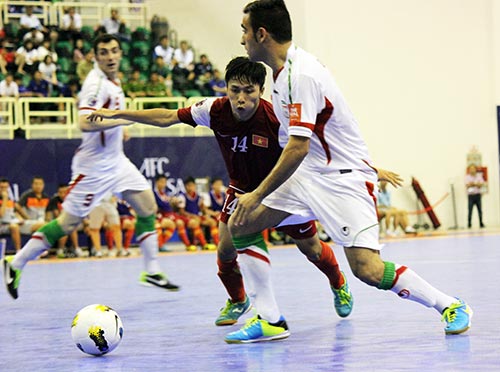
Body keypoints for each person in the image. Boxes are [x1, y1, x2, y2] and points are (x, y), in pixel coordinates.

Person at [225, 0, 471, 342]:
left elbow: (298, 147)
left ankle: (450, 304)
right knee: (241, 223)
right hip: (307, 176)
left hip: (342, 182)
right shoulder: (280, 76)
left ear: (261, 34)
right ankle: (270, 319)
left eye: (245, 31)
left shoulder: (303, 75)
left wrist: (257, 193)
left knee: (367, 270)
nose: (242, 39)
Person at [87, 56, 357, 331]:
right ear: (225, 89)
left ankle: (338, 282)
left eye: (248, 91)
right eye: (234, 90)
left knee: (311, 248)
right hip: (241, 190)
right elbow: (167, 116)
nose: (240, 98)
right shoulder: (214, 110)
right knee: (225, 248)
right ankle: (239, 300)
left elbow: (316, 150)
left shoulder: (277, 117)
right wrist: (117, 115)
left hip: (281, 190)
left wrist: (365, 169)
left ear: (261, 91)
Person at [2, 34, 179, 300]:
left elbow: (106, 117)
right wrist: (121, 120)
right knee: (67, 224)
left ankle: (151, 270)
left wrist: (118, 129)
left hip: (116, 161)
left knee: (148, 207)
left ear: (120, 54)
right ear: (95, 57)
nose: (110, 56)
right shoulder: (95, 84)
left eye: (114, 51)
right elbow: (85, 123)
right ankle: (16, 263)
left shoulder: (113, 81)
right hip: (93, 168)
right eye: (104, 52)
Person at [175, 177, 218, 249]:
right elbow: (181, 212)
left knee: (212, 222)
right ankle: (202, 244)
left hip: (197, 217)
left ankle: (217, 243)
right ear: (185, 187)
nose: (191, 188)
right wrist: (192, 216)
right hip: (186, 217)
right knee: (194, 223)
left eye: (192, 186)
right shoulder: (182, 197)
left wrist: (204, 210)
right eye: (189, 186)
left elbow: (202, 210)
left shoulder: (199, 197)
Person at [45, 183, 85, 258]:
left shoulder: (72, 201)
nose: (63, 195)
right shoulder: (54, 201)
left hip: (71, 223)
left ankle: (76, 248)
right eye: (60, 192)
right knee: (66, 227)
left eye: (65, 192)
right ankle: (60, 250)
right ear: (57, 193)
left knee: (72, 227)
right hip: (57, 223)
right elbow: (57, 216)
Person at [0, 178, 22, 252]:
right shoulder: (5, 198)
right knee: (14, 226)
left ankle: (19, 252)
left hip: (9, 223)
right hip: (1, 225)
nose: (4, 190)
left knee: (15, 226)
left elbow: (13, 212)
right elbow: (1, 214)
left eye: (6, 187)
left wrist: (19, 218)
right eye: (1, 187)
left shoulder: (10, 199)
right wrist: (5, 199)